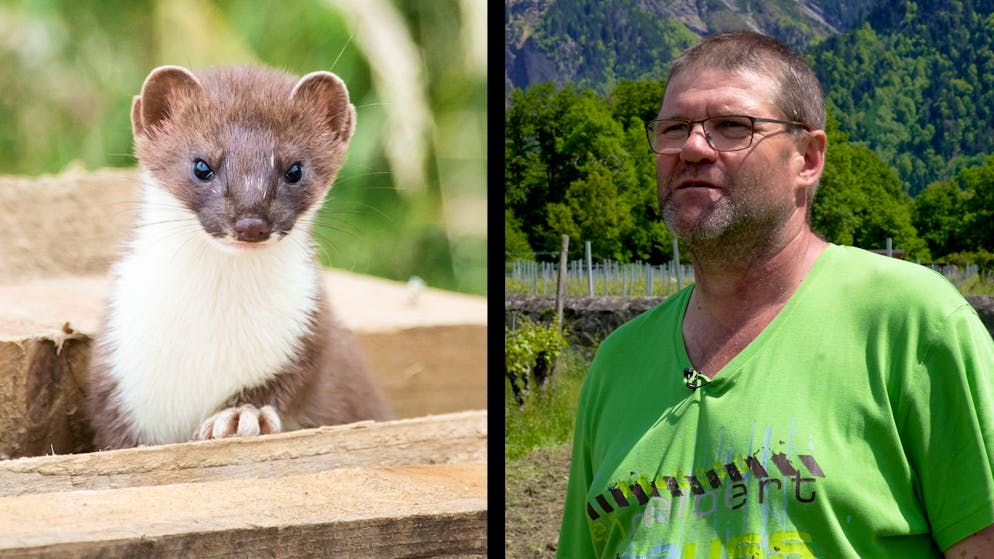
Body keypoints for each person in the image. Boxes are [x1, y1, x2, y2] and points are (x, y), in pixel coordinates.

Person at [556, 31, 994, 558]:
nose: (693, 147)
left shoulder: (911, 323)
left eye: (732, 127)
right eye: (674, 128)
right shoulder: (616, 363)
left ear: (808, 160)